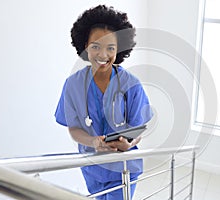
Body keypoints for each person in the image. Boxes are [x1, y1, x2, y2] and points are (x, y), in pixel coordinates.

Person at [54, 5, 153, 200]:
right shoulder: (73, 85)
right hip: (92, 168)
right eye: (96, 46)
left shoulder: (131, 84)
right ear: (85, 46)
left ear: (119, 49)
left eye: (111, 48)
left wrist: (129, 143)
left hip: (124, 166)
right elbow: (73, 129)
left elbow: (139, 128)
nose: (103, 54)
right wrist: (93, 142)